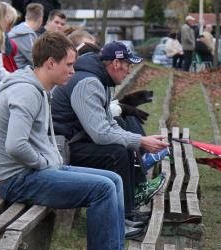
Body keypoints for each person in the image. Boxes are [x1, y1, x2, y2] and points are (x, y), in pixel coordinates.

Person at [0, 31, 138, 250]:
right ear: (50, 63)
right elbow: (15, 145)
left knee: (112, 180)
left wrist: (49, 162)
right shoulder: (27, 92)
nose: (73, 69)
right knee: (102, 188)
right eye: (68, 64)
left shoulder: (38, 89)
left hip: (31, 171)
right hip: (17, 179)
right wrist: (45, 163)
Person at [51, 42, 168, 227]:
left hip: (74, 141)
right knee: (117, 152)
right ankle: (122, 218)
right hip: (61, 149)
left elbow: (110, 123)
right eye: (128, 65)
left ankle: (128, 212)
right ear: (115, 63)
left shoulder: (100, 80)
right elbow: (100, 134)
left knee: (123, 137)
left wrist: (135, 140)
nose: (129, 71)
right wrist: (140, 140)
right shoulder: (88, 83)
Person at [8, 2, 43, 68]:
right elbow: (36, 61)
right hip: (21, 74)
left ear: (26, 17)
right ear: (40, 19)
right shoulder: (28, 35)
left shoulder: (14, 30)